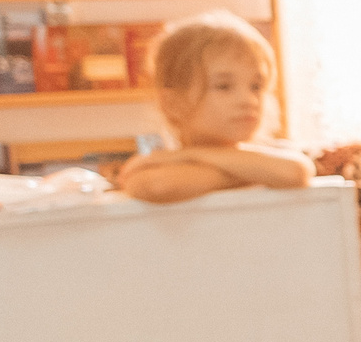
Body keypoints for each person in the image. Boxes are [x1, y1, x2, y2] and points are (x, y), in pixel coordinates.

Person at [116, 12, 312, 203]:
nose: (248, 100)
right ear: (172, 103)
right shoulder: (155, 169)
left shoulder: (273, 152)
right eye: (223, 86)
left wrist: (189, 155)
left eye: (256, 86)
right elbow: (157, 186)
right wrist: (255, 173)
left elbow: (296, 172)